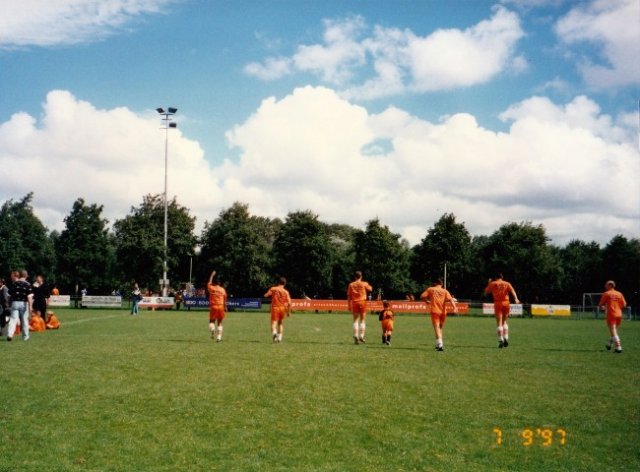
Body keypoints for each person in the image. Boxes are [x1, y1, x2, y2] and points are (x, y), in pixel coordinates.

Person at [484, 273, 520, 348]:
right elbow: (512, 291)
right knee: (504, 322)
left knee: (499, 323)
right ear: (502, 277)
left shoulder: (492, 284)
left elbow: (486, 292)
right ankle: (506, 337)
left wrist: (489, 283)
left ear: (495, 277)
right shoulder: (507, 283)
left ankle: (501, 339)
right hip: (506, 303)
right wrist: (516, 298)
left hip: (498, 303)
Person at [421, 278, 457, 351]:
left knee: (437, 327)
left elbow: (422, 296)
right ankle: (438, 344)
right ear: (442, 284)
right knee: (440, 328)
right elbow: (451, 300)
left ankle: (440, 344)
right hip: (443, 312)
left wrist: (426, 301)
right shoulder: (445, 291)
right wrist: (455, 307)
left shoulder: (431, 289)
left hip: (435, 311)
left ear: (435, 283)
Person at [599, 280, 627, 353]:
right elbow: (624, 305)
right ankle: (609, 344)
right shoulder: (619, 293)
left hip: (611, 314)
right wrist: (617, 307)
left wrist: (602, 308)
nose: (605, 285)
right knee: (614, 331)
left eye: (606, 284)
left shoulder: (606, 293)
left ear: (610, 285)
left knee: (613, 331)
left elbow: (601, 305)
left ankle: (618, 347)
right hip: (619, 314)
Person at [7, 270, 34, 342]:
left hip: (14, 303)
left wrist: (9, 304)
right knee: (24, 320)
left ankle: (10, 334)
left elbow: (9, 295)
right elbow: (29, 297)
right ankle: (25, 337)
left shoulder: (14, 284)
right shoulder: (28, 284)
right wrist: (30, 307)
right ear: (26, 276)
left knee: (13, 319)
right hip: (24, 303)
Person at [347, 271, 373, 344]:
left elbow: (349, 296)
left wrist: (349, 305)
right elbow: (370, 289)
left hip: (354, 302)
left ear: (355, 277)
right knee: (362, 320)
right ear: (361, 277)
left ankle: (356, 335)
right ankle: (361, 335)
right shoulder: (364, 283)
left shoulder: (351, 284)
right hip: (362, 302)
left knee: (355, 320)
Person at [264, 277, 291, 343]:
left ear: (278, 282)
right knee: (280, 323)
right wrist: (288, 312)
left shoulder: (273, 289)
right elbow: (289, 303)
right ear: (285, 283)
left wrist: (266, 294)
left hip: (275, 308)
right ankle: (280, 337)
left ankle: (274, 334)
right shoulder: (286, 292)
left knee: (273, 323)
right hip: (282, 308)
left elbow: (266, 295)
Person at [207, 271, 227, 342]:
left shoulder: (211, 288)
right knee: (220, 322)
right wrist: (225, 307)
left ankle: (212, 329)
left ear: (214, 283)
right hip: (221, 307)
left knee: (211, 321)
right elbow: (225, 299)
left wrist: (212, 275)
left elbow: (209, 282)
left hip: (213, 306)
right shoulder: (222, 290)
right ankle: (219, 337)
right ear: (220, 283)